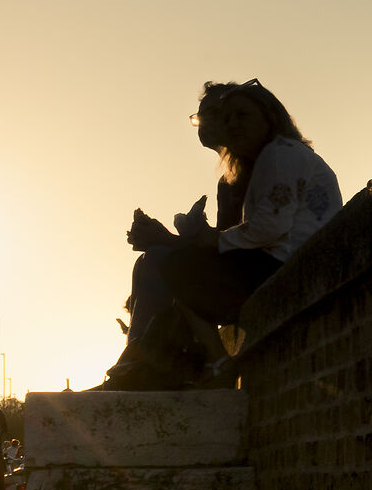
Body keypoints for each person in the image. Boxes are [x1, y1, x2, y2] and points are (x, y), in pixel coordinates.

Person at [99, 80, 342, 390]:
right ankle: (147, 367)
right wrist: (185, 239)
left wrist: (176, 240)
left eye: (239, 115)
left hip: (289, 263)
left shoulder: (277, 155)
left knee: (166, 264)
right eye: (225, 118)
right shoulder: (255, 165)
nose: (230, 124)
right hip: (276, 258)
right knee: (163, 263)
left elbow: (263, 230)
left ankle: (173, 366)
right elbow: (236, 242)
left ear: (268, 116)